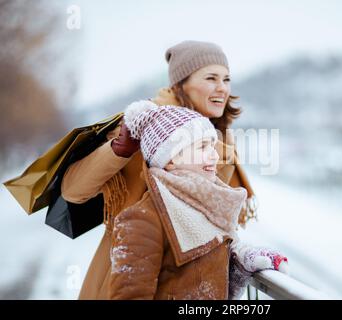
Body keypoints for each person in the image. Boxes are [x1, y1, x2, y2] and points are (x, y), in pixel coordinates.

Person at [61, 40, 258, 299]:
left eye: (226, 79)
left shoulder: (218, 139)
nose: (222, 88)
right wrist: (120, 149)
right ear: (181, 84)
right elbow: (73, 191)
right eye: (211, 78)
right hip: (126, 278)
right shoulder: (143, 129)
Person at [109, 100, 287, 299]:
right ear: (171, 158)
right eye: (203, 147)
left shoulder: (207, 205)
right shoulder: (141, 219)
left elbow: (203, 276)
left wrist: (239, 262)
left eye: (212, 145)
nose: (214, 155)